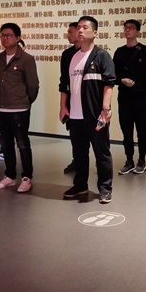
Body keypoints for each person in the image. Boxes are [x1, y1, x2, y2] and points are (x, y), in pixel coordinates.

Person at [59, 15, 116, 203]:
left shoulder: (102, 56)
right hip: (75, 116)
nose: (80, 30)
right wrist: (63, 106)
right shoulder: (71, 57)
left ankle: (105, 188)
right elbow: (65, 84)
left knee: (102, 153)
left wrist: (105, 109)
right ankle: (80, 185)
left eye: (85, 27)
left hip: (96, 116)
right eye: (78, 28)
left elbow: (109, 83)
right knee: (79, 153)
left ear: (95, 33)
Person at [0, 23, 39, 193]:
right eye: (2, 35)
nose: (5, 38)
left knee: (22, 144)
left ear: (18, 38)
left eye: (9, 35)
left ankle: (27, 177)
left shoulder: (26, 59)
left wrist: (24, 101)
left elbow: (33, 86)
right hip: (1, 108)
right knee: (6, 145)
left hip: (19, 109)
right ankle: (10, 176)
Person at [113, 19, 146, 175]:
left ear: (137, 32)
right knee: (126, 130)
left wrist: (142, 91)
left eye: (131, 28)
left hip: (139, 98)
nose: (127, 30)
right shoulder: (119, 52)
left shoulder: (144, 51)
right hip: (124, 97)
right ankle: (129, 160)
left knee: (142, 131)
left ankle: (142, 160)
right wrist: (122, 80)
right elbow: (113, 75)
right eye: (125, 27)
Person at [60, 22, 80, 174]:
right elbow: (64, 81)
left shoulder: (96, 54)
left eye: (70, 32)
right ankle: (76, 160)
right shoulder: (67, 54)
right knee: (74, 133)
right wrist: (63, 105)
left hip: (88, 102)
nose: (68, 35)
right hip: (72, 101)